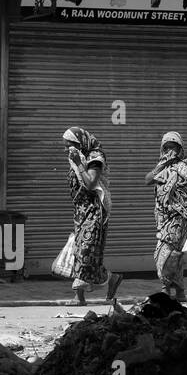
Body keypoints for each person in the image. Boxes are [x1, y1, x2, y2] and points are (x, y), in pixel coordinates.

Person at [62, 126, 121, 306]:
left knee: (85, 250)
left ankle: (80, 296)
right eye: (65, 146)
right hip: (81, 212)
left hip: (95, 211)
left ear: (80, 143)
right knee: (83, 254)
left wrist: (79, 164)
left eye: (69, 145)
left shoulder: (95, 159)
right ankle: (110, 279)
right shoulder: (78, 158)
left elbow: (90, 183)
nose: (66, 150)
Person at [144, 130, 187, 303]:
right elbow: (147, 180)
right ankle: (180, 290)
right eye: (166, 147)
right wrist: (162, 164)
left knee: (170, 253)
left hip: (182, 217)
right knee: (168, 253)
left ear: (180, 147)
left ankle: (166, 288)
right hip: (164, 218)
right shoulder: (162, 166)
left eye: (173, 146)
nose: (170, 150)